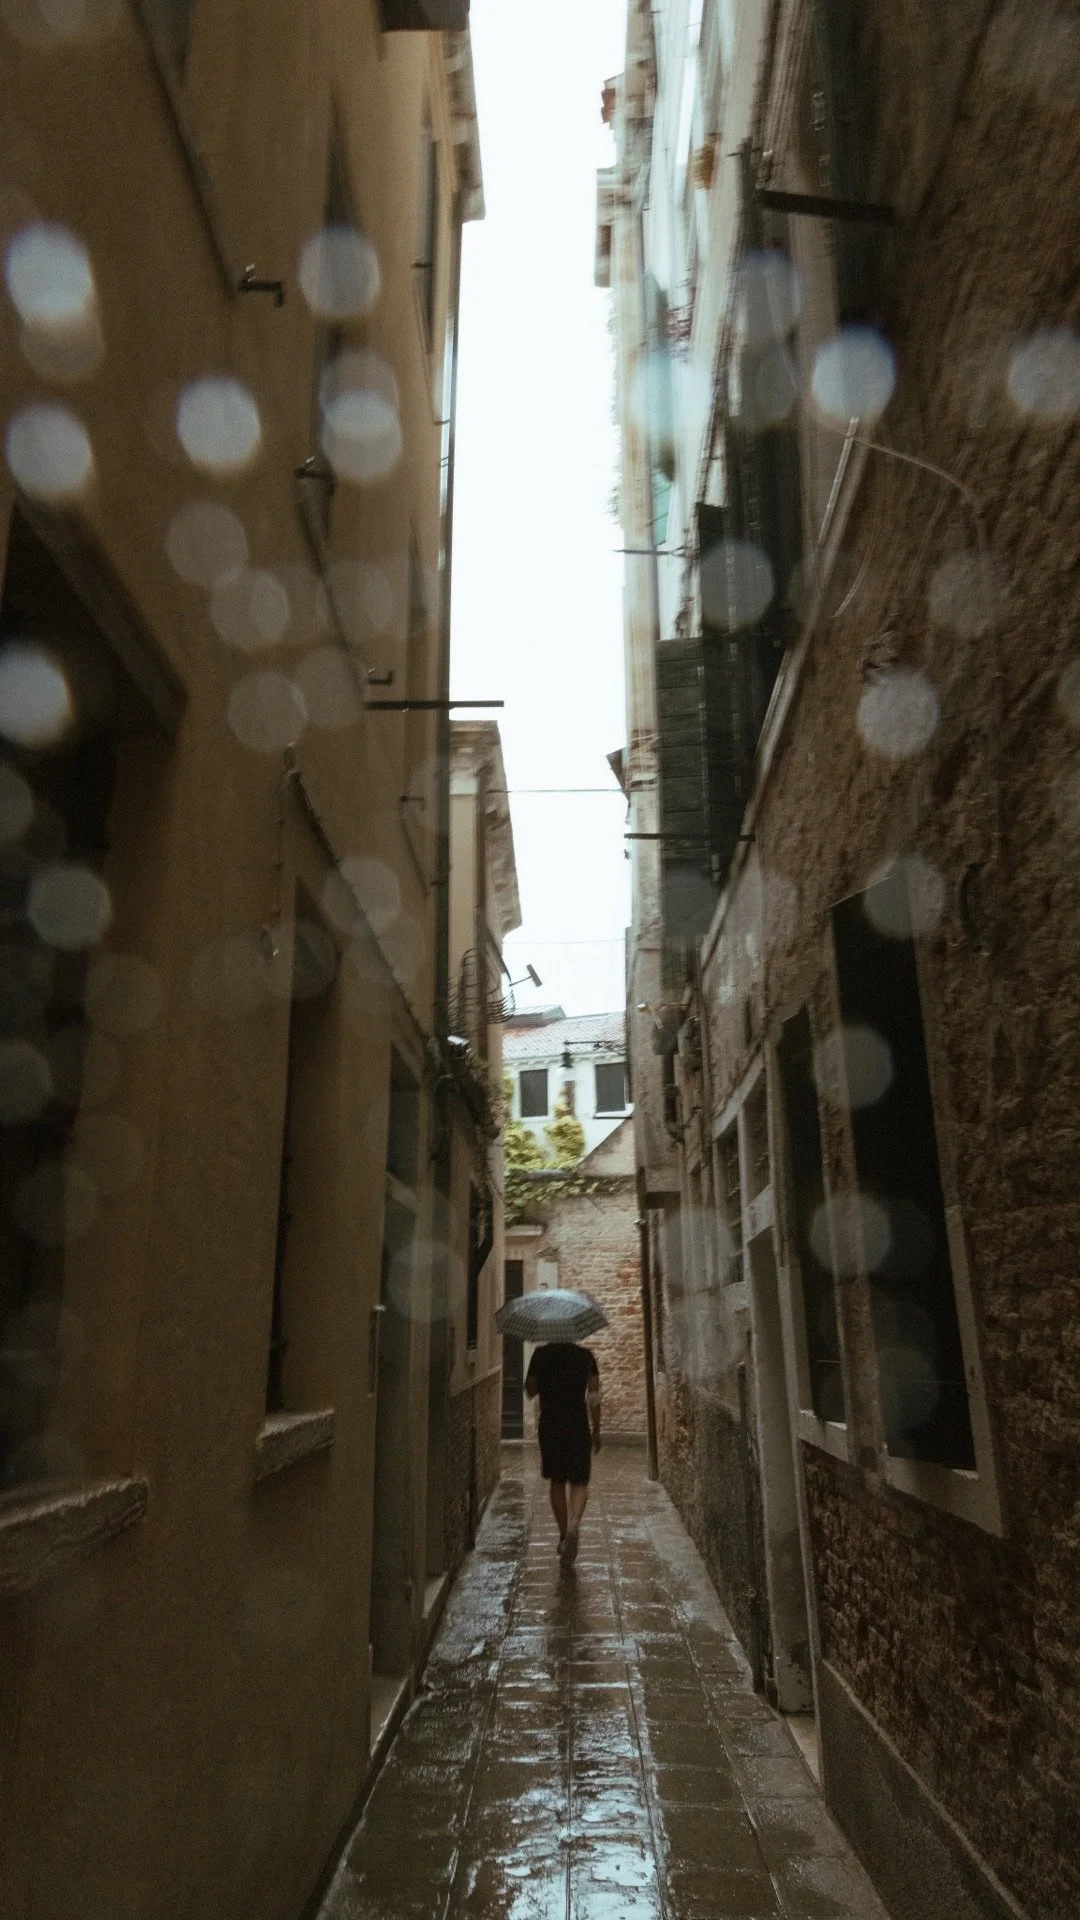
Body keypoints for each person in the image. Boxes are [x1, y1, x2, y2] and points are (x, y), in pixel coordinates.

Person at [524, 1341, 601, 1565]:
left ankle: (563, 1533)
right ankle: (574, 1526)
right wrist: (596, 1430)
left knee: (557, 1481)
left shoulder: (540, 1355)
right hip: (578, 1425)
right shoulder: (586, 1356)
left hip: (551, 1425)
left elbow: (530, 1391)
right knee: (579, 1482)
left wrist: (541, 1379)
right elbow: (594, 1397)